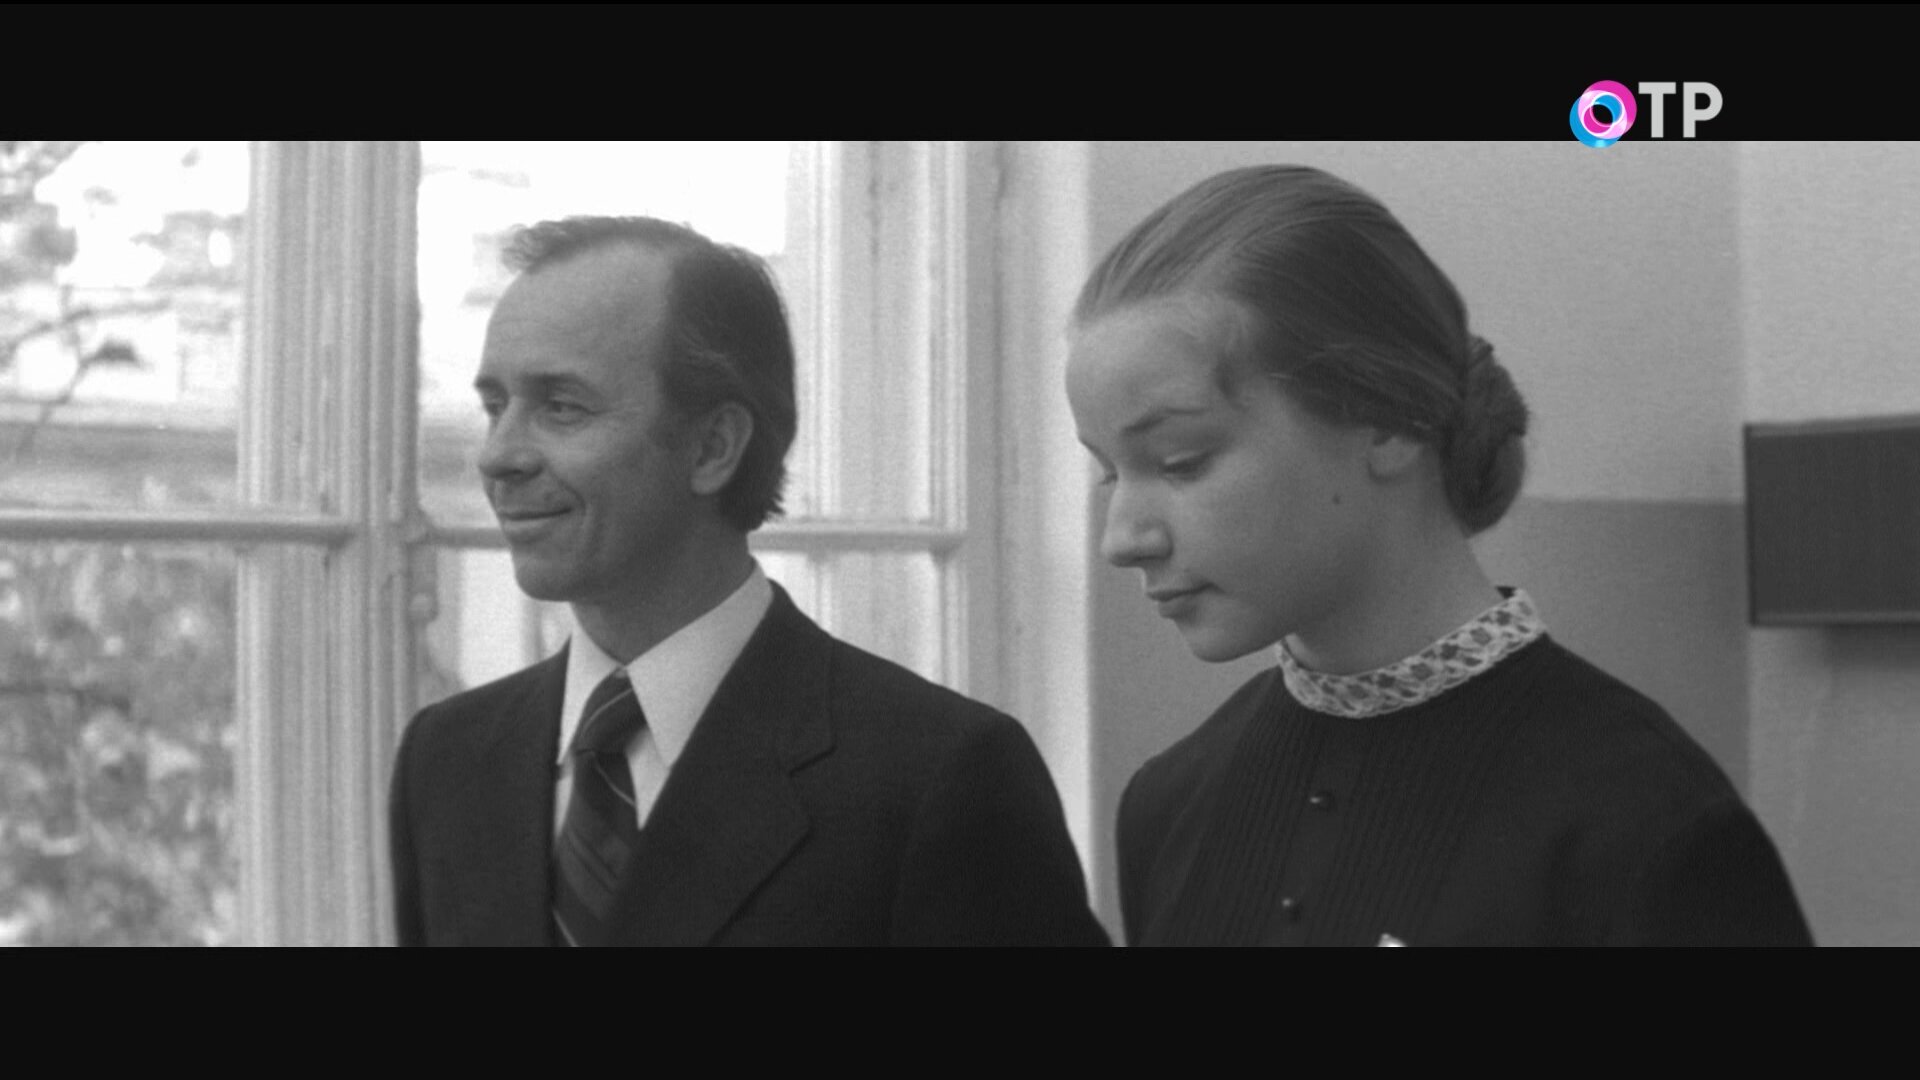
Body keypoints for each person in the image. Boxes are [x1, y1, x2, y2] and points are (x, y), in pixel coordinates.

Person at [1068, 165, 1813, 946]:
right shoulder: (1169, 802)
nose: (1122, 539)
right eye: (1110, 472)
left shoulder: (1642, 821)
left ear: (1388, 423)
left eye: (1181, 461)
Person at [390, 215, 1107, 946]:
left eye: (561, 407)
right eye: (495, 406)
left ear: (714, 447)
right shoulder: (446, 759)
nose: (498, 456)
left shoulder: (939, 778)